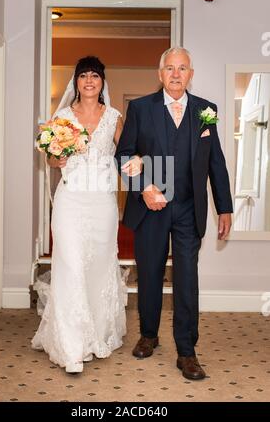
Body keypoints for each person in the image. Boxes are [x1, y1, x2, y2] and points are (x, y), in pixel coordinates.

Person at [115, 47, 233, 380]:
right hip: (150, 207)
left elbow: (216, 163)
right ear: (160, 73)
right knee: (149, 273)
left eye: (182, 68)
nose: (176, 74)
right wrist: (144, 187)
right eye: (170, 68)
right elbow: (123, 155)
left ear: (190, 74)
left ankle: (187, 351)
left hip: (188, 207)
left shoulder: (206, 111)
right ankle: (148, 334)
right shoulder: (140, 108)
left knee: (187, 279)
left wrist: (224, 206)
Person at [32, 56, 129, 373]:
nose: (89, 81)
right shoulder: (62, 117)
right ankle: (72, 347)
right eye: (84, 75)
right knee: (71, 266)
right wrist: (55, 160)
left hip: (101, 203)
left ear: (102, 82)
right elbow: (51, 159)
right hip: (70, 200)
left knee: (98, 268)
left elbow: (127, 153)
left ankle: (96, 336)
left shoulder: (114, 117)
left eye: (95, 76)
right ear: (76, 81)